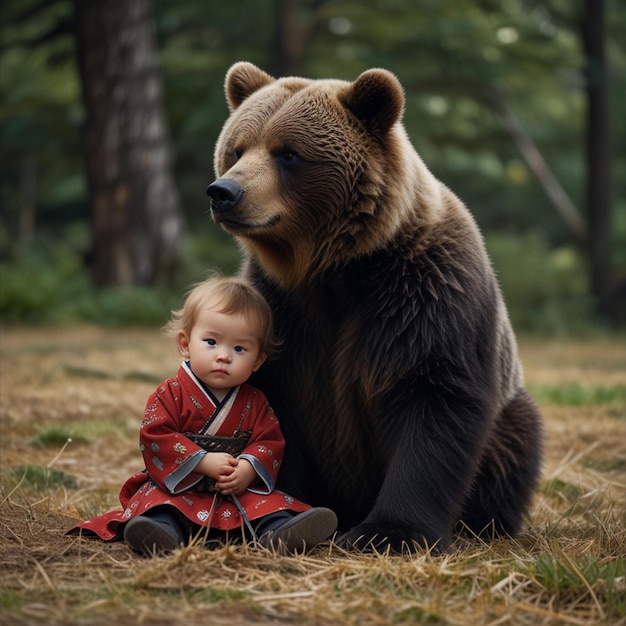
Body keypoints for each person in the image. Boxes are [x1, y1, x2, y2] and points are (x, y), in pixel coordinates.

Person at [67, 275, 337, 556]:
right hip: (180, 489)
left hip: (233, 492)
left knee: (268, 506)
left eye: (239, 348)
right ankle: (161, 535)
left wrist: (247, 468)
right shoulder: (169, 394)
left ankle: (279, 534)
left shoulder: (256, 402)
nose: (224, 356)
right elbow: (155, 436)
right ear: (185, 343)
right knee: (161, 507)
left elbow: (269, 441)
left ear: (258, 360)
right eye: (211, 342)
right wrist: (203, 461)